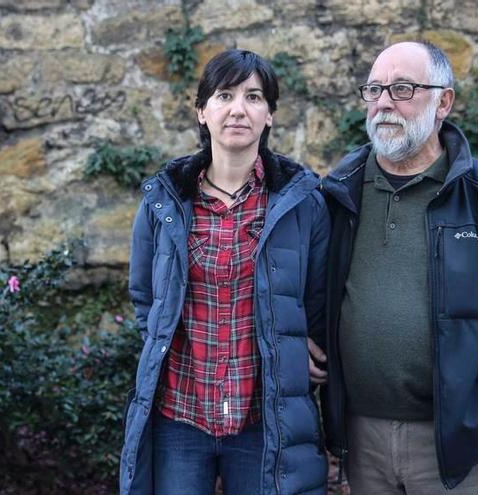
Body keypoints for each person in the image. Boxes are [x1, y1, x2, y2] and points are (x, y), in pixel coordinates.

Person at [313, 40, 478, 494]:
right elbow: (309, 290)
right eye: (374, 89)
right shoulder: (338, 194)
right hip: (362, 439)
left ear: (443, 101)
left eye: (403, 88)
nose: (384, 102)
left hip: (465, 442)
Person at [119, 49, 330, 495]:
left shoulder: (301, 202)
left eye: (254, 97)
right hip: (181, 416)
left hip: (263, 420)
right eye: (225, 95)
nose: (238, 109)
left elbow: (317, 298)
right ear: (202, 111)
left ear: (269, 115)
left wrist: (305, 346)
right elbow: (144, 295)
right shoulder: (166, 201)